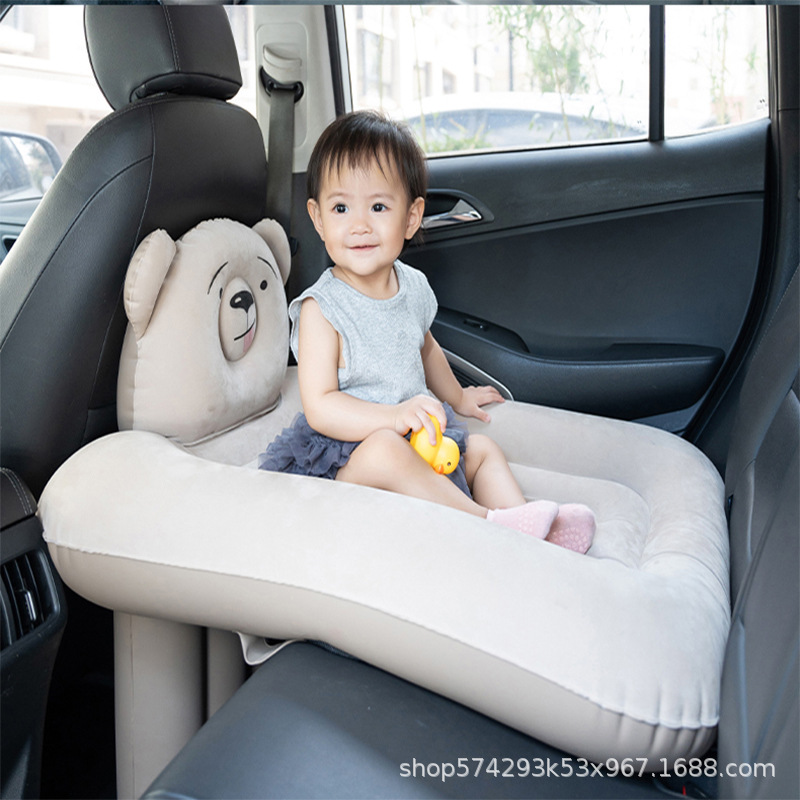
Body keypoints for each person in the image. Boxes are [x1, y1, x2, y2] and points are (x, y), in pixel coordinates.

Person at [260, 110, 595, 553]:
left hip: (416, 440)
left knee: (482, 452)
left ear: (412, 217)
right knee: (385, 449)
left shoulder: (413, 286)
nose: (359, 225)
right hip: (348, 458)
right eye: (341, 208)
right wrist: (392, 418)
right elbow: (321, 406)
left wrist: (457, 398)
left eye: (378, 207)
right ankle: (492, 525)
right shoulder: (321, 310)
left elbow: (427, 348)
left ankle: (533, 537)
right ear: (318, 218)